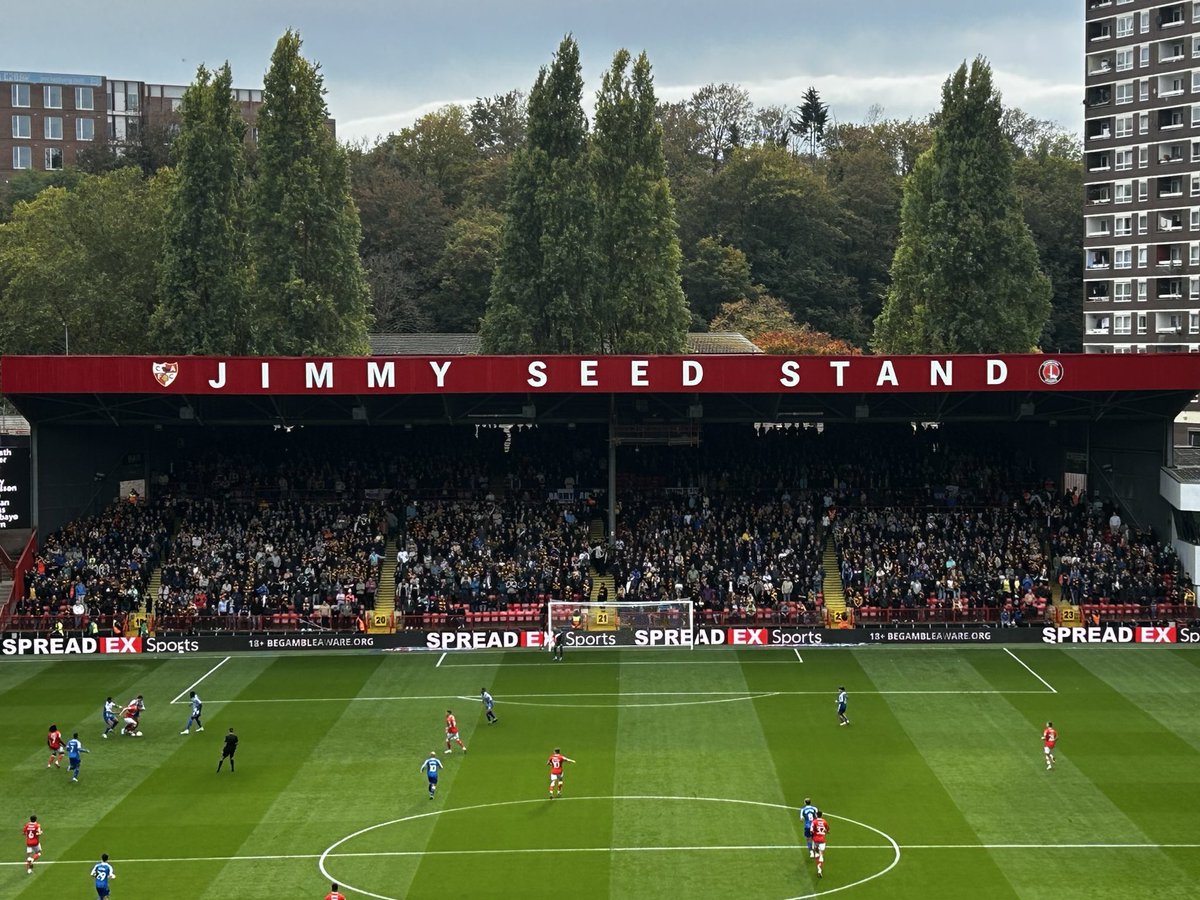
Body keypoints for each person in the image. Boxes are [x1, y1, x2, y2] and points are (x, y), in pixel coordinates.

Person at [811, 809, 829, 878]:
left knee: (817, 854)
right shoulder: (824, 821)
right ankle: (819, 870)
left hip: (815, 840)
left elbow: (811, 831)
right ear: (821, 815)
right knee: (821, 855)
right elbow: (828, 830)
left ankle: (818, 867)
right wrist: (825, 831)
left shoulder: (814, 821)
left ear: (816, 815)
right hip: (822, 840)